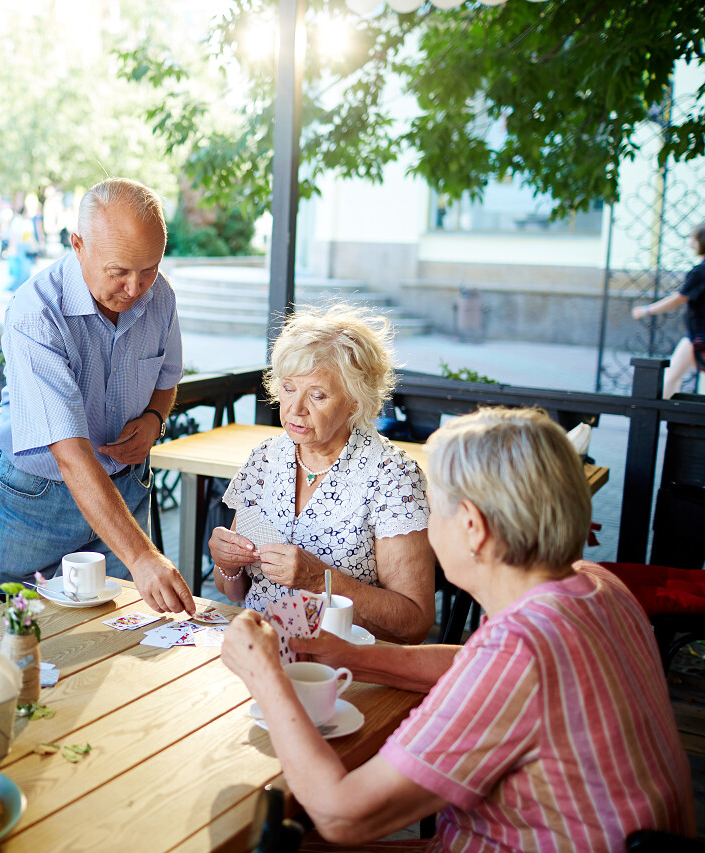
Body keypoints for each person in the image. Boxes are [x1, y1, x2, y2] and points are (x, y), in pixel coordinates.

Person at [222, 408, 694, 850]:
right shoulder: (594, 586)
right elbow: (478, 667)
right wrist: (353, 656)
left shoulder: (521, 652)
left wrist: (265, 677)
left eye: (431, 508)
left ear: (472, 527)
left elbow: (343, 815)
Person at [0, 177, 196, 616]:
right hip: (37, 499)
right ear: (78, 245)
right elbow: (71, 455)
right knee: (16, 632)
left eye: (149, 269)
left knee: (129, 634)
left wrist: (155, 419)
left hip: (126, 490)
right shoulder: (35, 312)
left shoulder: (161, 296)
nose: (136, 289)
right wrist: (141, 556)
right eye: (118, 272)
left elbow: (167, 378)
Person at [208, 306, 434, 644]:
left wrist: (320, 580)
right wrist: (226, 563)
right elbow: (235, 591)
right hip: (260, 646)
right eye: (287, 388)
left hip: (345, 662)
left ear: (355, 402)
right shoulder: (266, 458)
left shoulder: (393, 475)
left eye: (317, 395)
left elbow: (414, 622)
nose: (295, 409)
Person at [632, 221, 705, 397]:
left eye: (693, 238)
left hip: (699, 336)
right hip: (698, 336)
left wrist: (646, 310)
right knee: (675, 376)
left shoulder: (700, 271)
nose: (690, 242)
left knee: (671, 376)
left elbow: (679, 298)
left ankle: (659, 417)